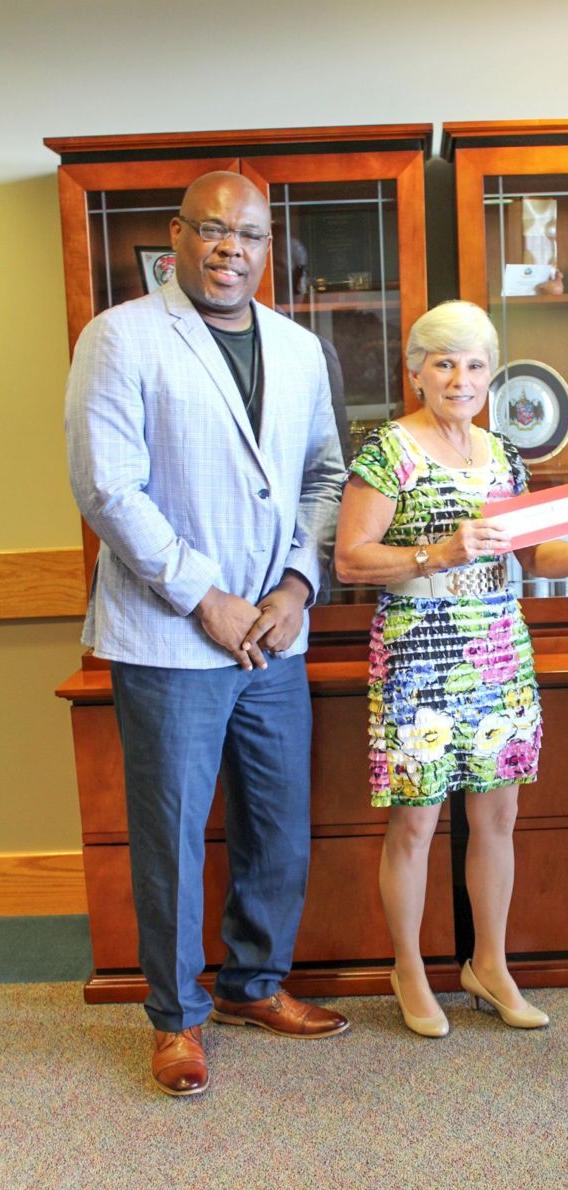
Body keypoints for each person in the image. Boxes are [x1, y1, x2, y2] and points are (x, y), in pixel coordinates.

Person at [66, 171, 350, 1097]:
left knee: (278, 826)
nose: (233, 249)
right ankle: (177, 1019)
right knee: (173, 833)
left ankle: (254, 985)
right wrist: (207, 598)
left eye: (252, 236)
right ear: (177, 239)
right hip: (172, 636)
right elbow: (109, 487)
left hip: (277, 633)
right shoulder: (121, 336)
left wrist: (299, 585)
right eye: (214, 231)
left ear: (273, 249)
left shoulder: (302, 349)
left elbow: (326, 475)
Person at [334, 300, 568, 1037]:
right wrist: (435, 552)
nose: (460, 377)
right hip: (420, 657)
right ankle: (409, 969)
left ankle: (489, 965)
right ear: (416, 373)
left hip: (500, 652)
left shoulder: (504, 454)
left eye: (475, 364)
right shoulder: (388, 452)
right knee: (416, 823)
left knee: (498, 816)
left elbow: (537, 556)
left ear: (491, 376)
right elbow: (349, 557)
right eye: (443, 362)